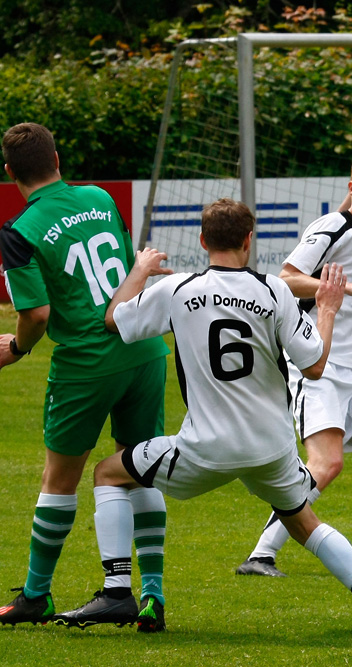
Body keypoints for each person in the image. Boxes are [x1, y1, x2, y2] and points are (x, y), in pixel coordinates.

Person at [55, 198, 352, 633]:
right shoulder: (274, 290)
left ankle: (116, 593)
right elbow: (315, 366)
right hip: (271, 449)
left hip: (205, 449)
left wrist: (140, 270)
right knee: (304, 522)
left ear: (202, 241)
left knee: (109, 473)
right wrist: (329, 308)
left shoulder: (178, 290)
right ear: (249, 240)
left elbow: (114, 320)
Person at [0, 123, 169, 631]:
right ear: (57, 156)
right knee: (139, 466)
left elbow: (36, 315)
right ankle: (152, 597)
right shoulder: (98, 196)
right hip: (143, 350)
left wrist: (14, 349)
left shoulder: (19, 231)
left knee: (60, 479)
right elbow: (124, 274)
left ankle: (36, 596)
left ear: (9, 174)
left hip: (85, 365)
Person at [236, 153, 352, 578]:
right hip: (318, 363)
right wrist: (350, 284)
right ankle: (261, 554)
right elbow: (286, 277)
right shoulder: (330, 227)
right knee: (326, 464)